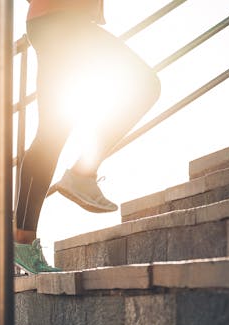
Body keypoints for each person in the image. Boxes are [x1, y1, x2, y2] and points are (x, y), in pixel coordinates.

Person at [14, 0, 160, 273]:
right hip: (65, 22)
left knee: (52, 131)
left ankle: (23, 240)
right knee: (144, 84)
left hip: (49, 22)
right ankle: (82, 173)